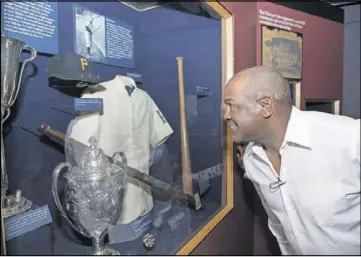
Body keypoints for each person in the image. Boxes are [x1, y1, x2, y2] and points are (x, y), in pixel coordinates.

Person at [223, 66, 360, 255]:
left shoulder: (349, 138)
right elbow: (279, 226)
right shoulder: (253, 162)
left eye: (232, 106)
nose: (226, 115)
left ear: (266, 105)